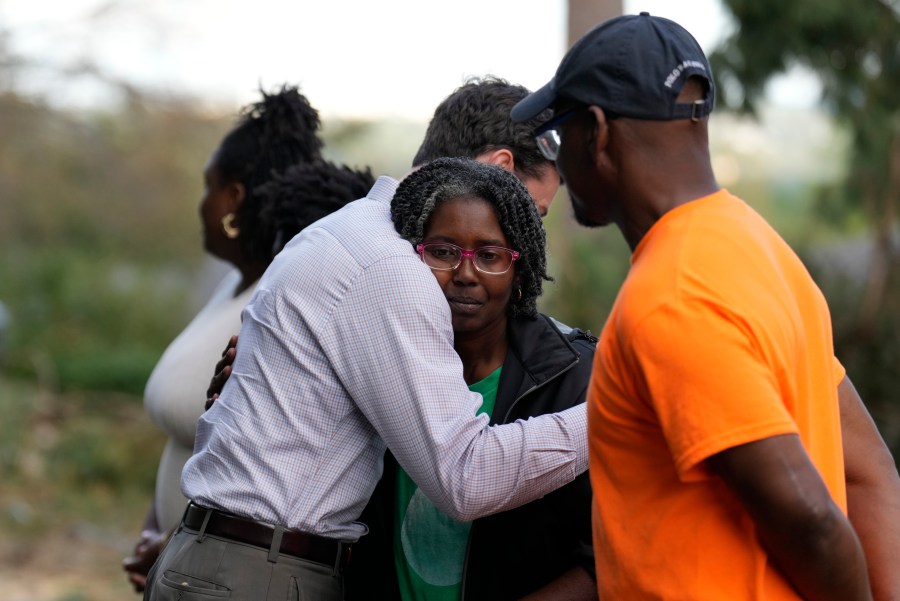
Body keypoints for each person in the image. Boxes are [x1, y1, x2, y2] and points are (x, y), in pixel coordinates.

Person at [142, 78, 587, 601]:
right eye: (528, 217)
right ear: (497, 173)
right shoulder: (391, 271)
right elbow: (464, 478)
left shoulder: (348, 232)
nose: (522, 246)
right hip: (261, 572)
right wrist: (615, 409)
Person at [511, 12, 900, 601]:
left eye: (558, 136)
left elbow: (812, 521)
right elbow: (868, 472)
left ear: (599, 132)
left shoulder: (671, 297)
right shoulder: (760, 247)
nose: (559, 163)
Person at [122, 85, 374, 592]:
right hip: (190, 562)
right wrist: (161, 532)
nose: (202, 202)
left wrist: (174, 537)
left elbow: (263, 454)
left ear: (233, 199)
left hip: (226, 569)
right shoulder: (228, 288)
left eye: (207, 185)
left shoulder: (277, 310)